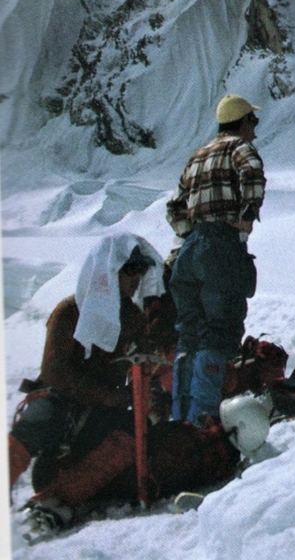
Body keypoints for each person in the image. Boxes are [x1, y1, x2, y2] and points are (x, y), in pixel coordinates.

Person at [8, 234, 163, 527]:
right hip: (59, 398)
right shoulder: (70, 311)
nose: (137, 278)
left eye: (141, 271)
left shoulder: (132, 318)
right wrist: (106, 396)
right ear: (109, 271)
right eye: (130, 270)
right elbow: (54, 372)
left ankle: (55, 501)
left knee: (134, 433)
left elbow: (144, 367)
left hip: (101, 411)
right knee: (37, 424)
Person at [166, 93, 266, 426]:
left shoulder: (197, 156)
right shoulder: (241, 149)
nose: (256, 127)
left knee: (190, 335)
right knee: (219, 333)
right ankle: (203, 424)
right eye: (253, 120)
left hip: (190, 252)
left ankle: (178, 419)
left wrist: (189, 232)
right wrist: (246, 217)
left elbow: (174, 204)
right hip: (221, 251)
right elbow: (251, 171)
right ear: (243, 122)